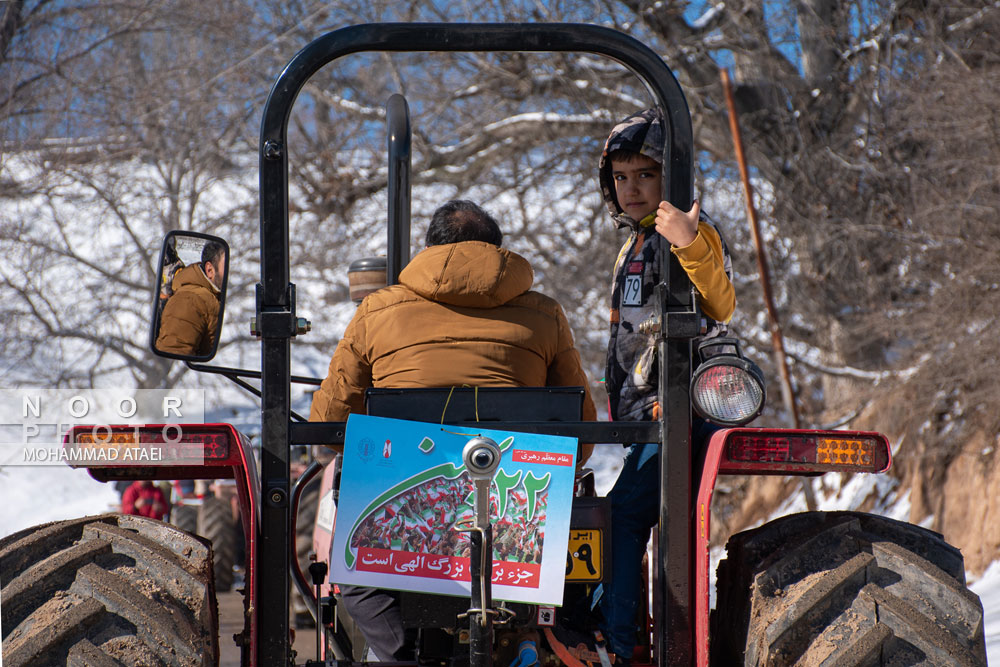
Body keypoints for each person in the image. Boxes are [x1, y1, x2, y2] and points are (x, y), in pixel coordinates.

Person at [310, 199, 597, 661]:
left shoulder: (377, 310)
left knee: (358, 580)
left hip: (402, 512)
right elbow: (580, 427)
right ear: (499, 254)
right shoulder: (545, 315)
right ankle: (525, 636)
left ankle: (398, 658)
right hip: (517, 510)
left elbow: (327, 424)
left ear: (428, 251)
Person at [552, 108, 736, 665]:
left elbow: (721, 301)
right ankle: (613, 628)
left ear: (672, 178)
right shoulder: (635, 243)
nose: (631, 188)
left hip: (676, 411)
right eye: (621, 177)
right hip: (643, 415)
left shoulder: (684, 237)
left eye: (646, 175)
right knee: (616, 512)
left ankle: (620, 644)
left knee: (623, 517)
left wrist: (689, 240)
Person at [155, 240, 226, 356]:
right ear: (210, 270)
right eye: (227, 265)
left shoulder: (207, 298)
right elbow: (174, 355)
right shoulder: (190, 300)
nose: (230, 271)